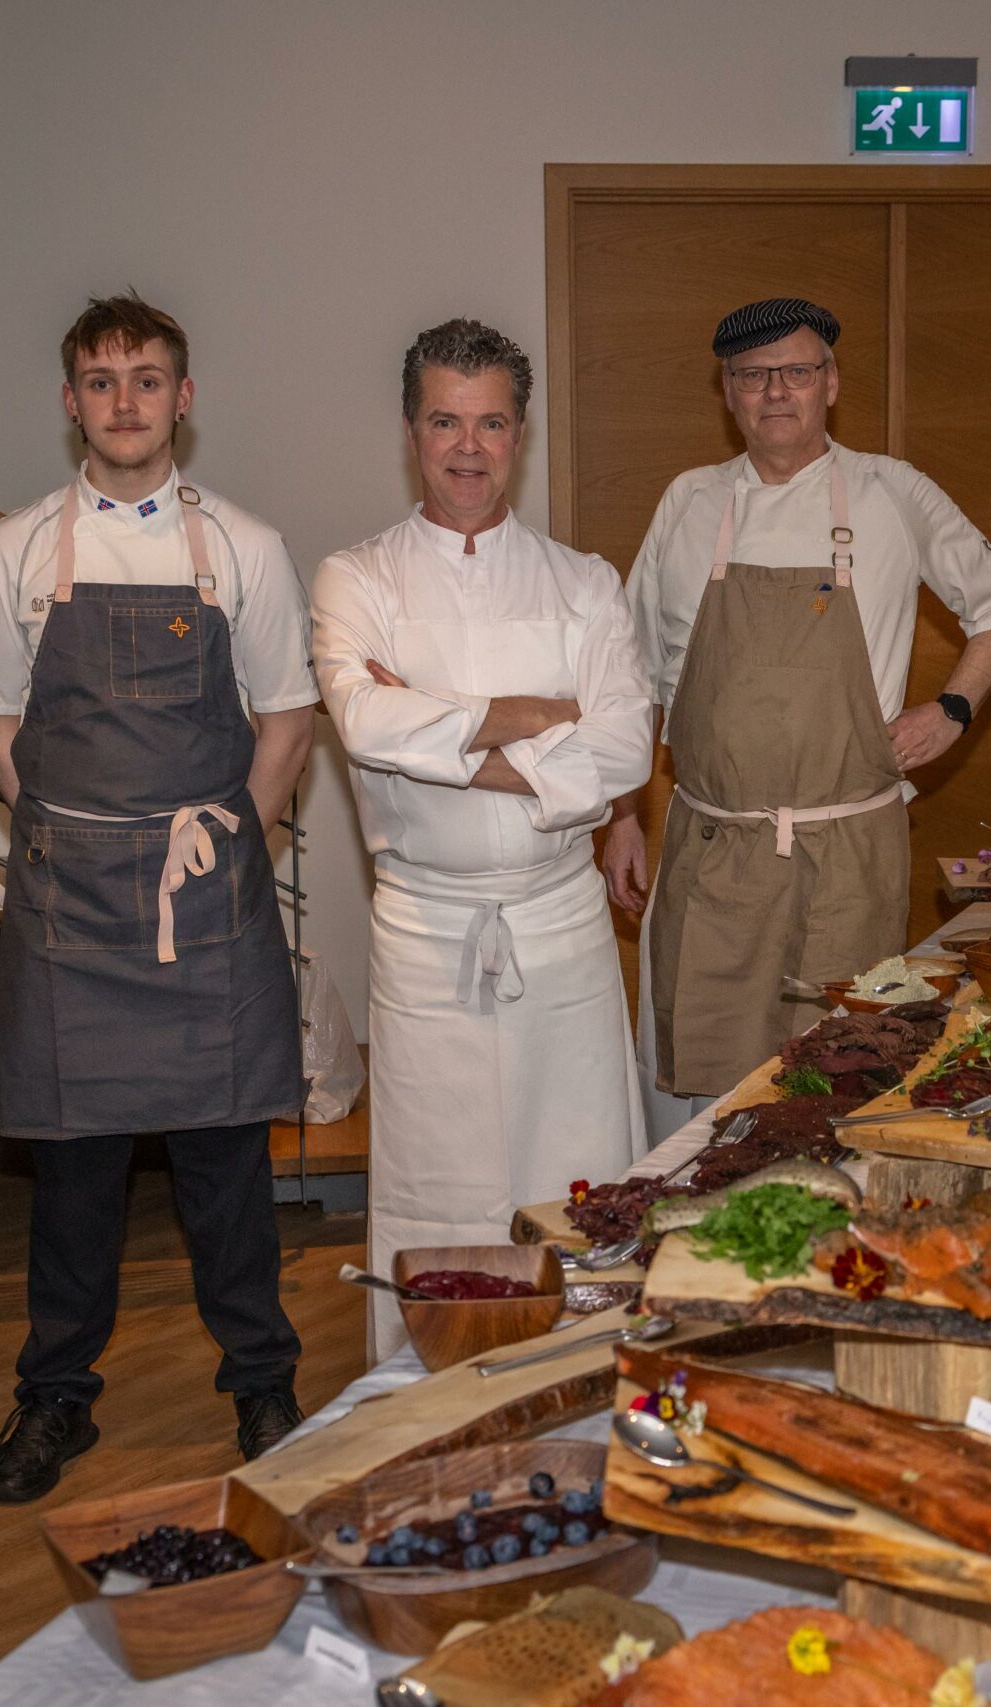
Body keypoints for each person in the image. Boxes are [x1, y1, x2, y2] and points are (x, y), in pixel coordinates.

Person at [0, 295, 313, 1500]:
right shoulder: (12, 551)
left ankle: (262, 1380)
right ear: (71, 401)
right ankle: (55, 1396)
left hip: (206, 899)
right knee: (73, 1174)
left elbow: (287, 717)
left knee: (226, 1167)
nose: (124, 402)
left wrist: (227, 841)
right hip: (69, 910)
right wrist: (65, 835)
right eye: (101, 381)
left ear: (182, 398)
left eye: (146, 379)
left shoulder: (243, 547)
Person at [310, 320, 653, 1355]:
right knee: (437, 1180)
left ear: (521, 433)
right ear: (409, 430)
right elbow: (365, 724)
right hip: (427, 926)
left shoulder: (583, 582)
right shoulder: (355, 578)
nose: (469, 447)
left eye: (492, 423)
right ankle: (425, 1385)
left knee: (580, 1170)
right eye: (445, 422)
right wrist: (543, 716)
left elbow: (625, 751)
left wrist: (440, 721)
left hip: (561, 920)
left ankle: (583, 1373)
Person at [608, 298, 991, 1127]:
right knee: (701, 1107)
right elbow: (632, 677)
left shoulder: (891, 491)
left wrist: (953, 708)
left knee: (843, 1090)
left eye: (797, 371)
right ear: (727, 392)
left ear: (830, 383)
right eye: (753, 375)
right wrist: (623, 814)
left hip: (848, 860)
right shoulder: (689, 503)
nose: (776, 392)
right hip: (714, 857)